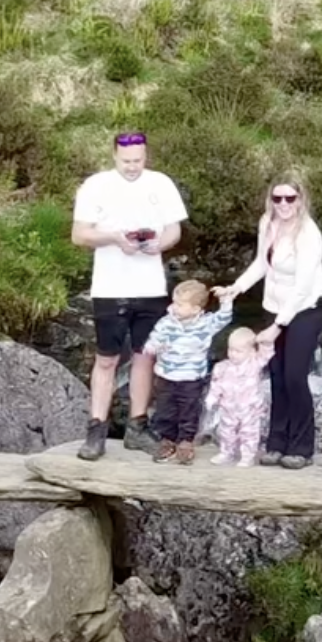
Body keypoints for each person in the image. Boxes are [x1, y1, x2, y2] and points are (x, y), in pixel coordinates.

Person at [70, 131, 187, 460]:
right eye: (126, 162)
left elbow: (174, 230)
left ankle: (138, 425)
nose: (133, 167)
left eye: (138, 160)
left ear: (146, 156)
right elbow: (79, 234)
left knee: (145, 356)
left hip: (150, 286)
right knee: (106, 358)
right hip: (110, 287)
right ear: (114, 157)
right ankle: (96, 428)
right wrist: (114, 238)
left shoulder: (161, 184)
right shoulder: (96, 185)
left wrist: (156, 245)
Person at [217, 179, 322, 470]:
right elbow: (261, 263)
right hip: (274, 306)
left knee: (294, 376)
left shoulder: (309, 234)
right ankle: (276, 443)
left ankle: (301, 447)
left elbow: (303, 286)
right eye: (277, 198)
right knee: (277, 377)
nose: (283, 205)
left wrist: (278, 326)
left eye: (289, 199)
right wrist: (236, 287)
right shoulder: (267, 222)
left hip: (306, 308)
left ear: (301, 200)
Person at [138, 280, 230, 464]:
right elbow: (154, 339)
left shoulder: (205, 324)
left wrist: (226, 299)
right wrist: (151, 347)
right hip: (166, 376)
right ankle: (167, 441)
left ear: (196, 309)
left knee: (189, 411)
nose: (173, 307)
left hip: (191, 378)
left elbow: (224, 317)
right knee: (165, 411)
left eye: (180, 304)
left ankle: (186, 442)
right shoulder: (166, 323)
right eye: (173, 302)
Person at [206, 324, 278, 468]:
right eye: (231, 350)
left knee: (249, 432)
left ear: (251, 352)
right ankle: (226, 453)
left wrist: (265, 342)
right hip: (228, 406)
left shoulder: (254, 363)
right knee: (226, 431)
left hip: (249, 408)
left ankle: (248, 456)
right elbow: (216, 384)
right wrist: (212, 397)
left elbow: (267, 353)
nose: (233, 354)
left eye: (239, 351)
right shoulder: (222, 367)